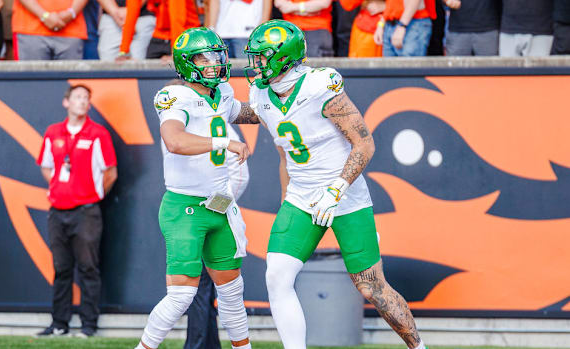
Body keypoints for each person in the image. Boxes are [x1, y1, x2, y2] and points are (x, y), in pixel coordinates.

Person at [242, 19, 426, 349]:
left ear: (284, 57)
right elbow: (270, 139)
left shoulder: (318, 85)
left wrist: (336, 189)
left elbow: (365, 143)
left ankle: (419, 347)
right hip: (301, 197)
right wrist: (196, 99)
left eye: (263, 56)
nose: (256, 64)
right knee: (277, 275)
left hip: (345, 194)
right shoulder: (261, 94)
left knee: (371, 286)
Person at [134, 27, 254, 349]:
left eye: (216, 56)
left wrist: (275, 99)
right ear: (187, 63)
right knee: (181, 296)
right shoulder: (175, 95)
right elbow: (174, 140)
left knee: (232, 293)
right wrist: (223, 142)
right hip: (185, 208)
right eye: (205, 57)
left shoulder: (222, 92)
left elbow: (247, 112)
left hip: (218, 206)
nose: (214, 63)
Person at [36, 84, 118, 338]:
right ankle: (59, 323)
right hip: (57, 210)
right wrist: (59, 188)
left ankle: (88, 325)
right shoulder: (53, 132)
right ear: (66, 102)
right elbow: (47, 166)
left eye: (86, 98)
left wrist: (92, 195)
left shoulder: (97, 133)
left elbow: (111, 173)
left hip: (86, 211)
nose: (83, 102)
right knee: (61, 269)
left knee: (88, 268)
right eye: (78, 97)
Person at [119, 0, 199, 60]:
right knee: (148, 70)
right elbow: (131, 15)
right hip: (160, 35)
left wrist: (175, 53)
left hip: (187, 35)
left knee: (176, 67)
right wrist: (124, 52)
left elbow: (177, 20)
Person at [12, 0, 89, 60]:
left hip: (71, 30)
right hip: (30, 29)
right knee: (32, 78)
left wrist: (71, 13)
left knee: (70, 78)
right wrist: (44, 16)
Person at [205, 0, 272, 58]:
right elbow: (214, 2)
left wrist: (261, 29)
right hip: (221, 33)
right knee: (220, 70)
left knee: (248, 69)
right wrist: (211, 29)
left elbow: (267, 2)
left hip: (248, 34)